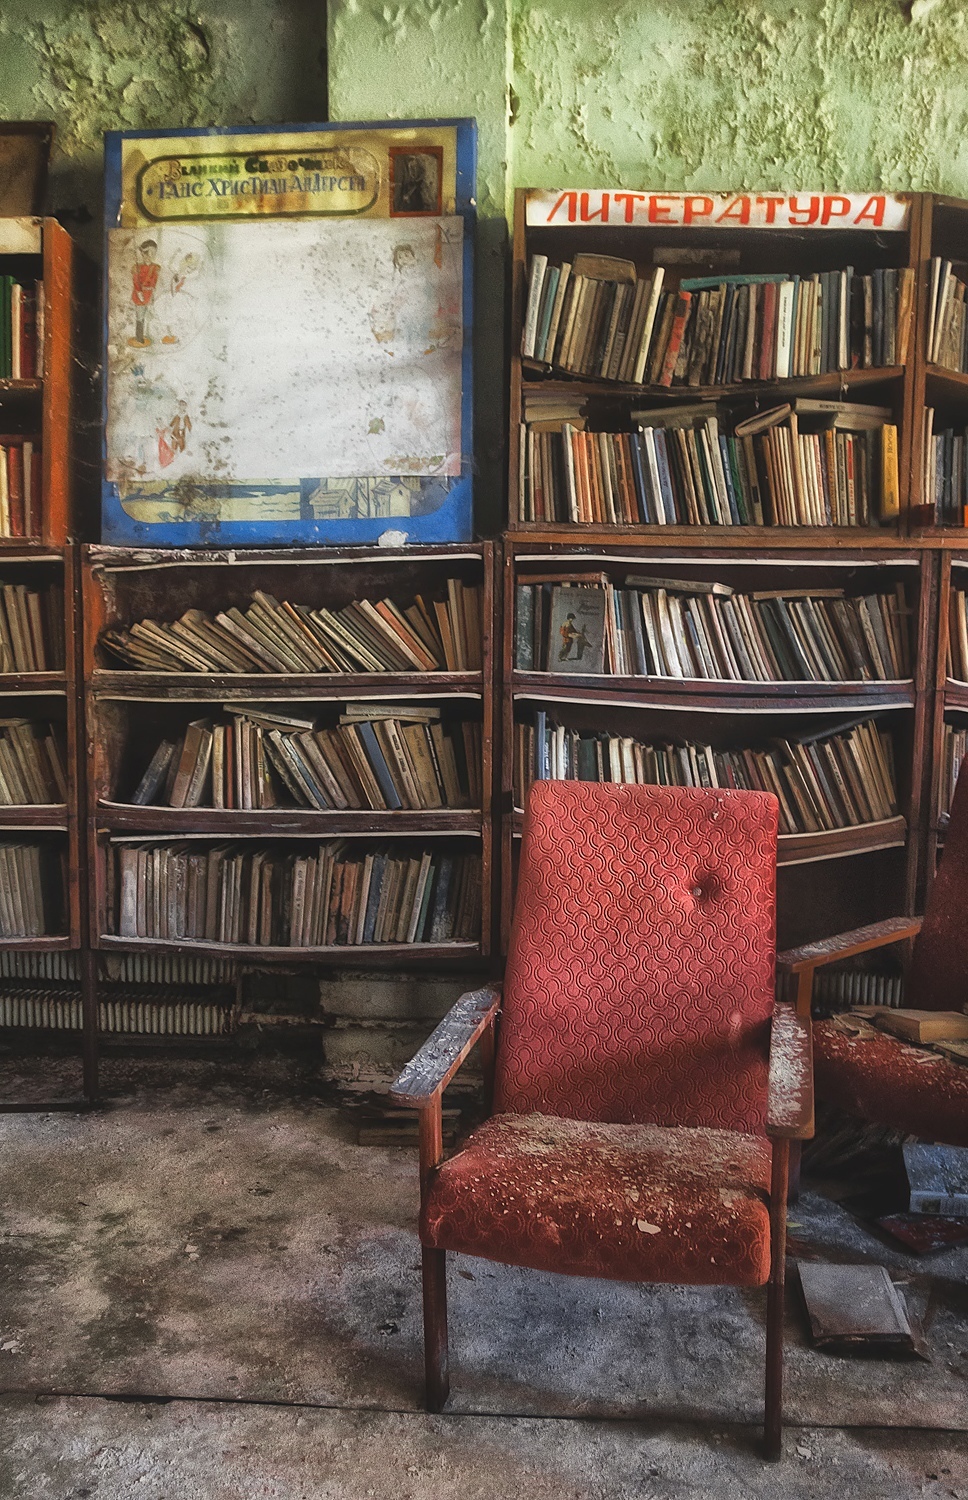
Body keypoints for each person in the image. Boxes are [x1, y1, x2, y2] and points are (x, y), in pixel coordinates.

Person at [129, 239, 160, 347]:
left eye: (153, 253)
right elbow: (136, 281)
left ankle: (145, 334)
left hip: (148, 295)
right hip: (140, 295)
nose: (151, 256)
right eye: (148, 253)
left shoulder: (155, 268)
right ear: (143, 254)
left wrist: (152, 295)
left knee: (146, 315)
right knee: (140, 317)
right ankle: (139, 338)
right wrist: (139, 292)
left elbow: (154, 282)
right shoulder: (137, 268)